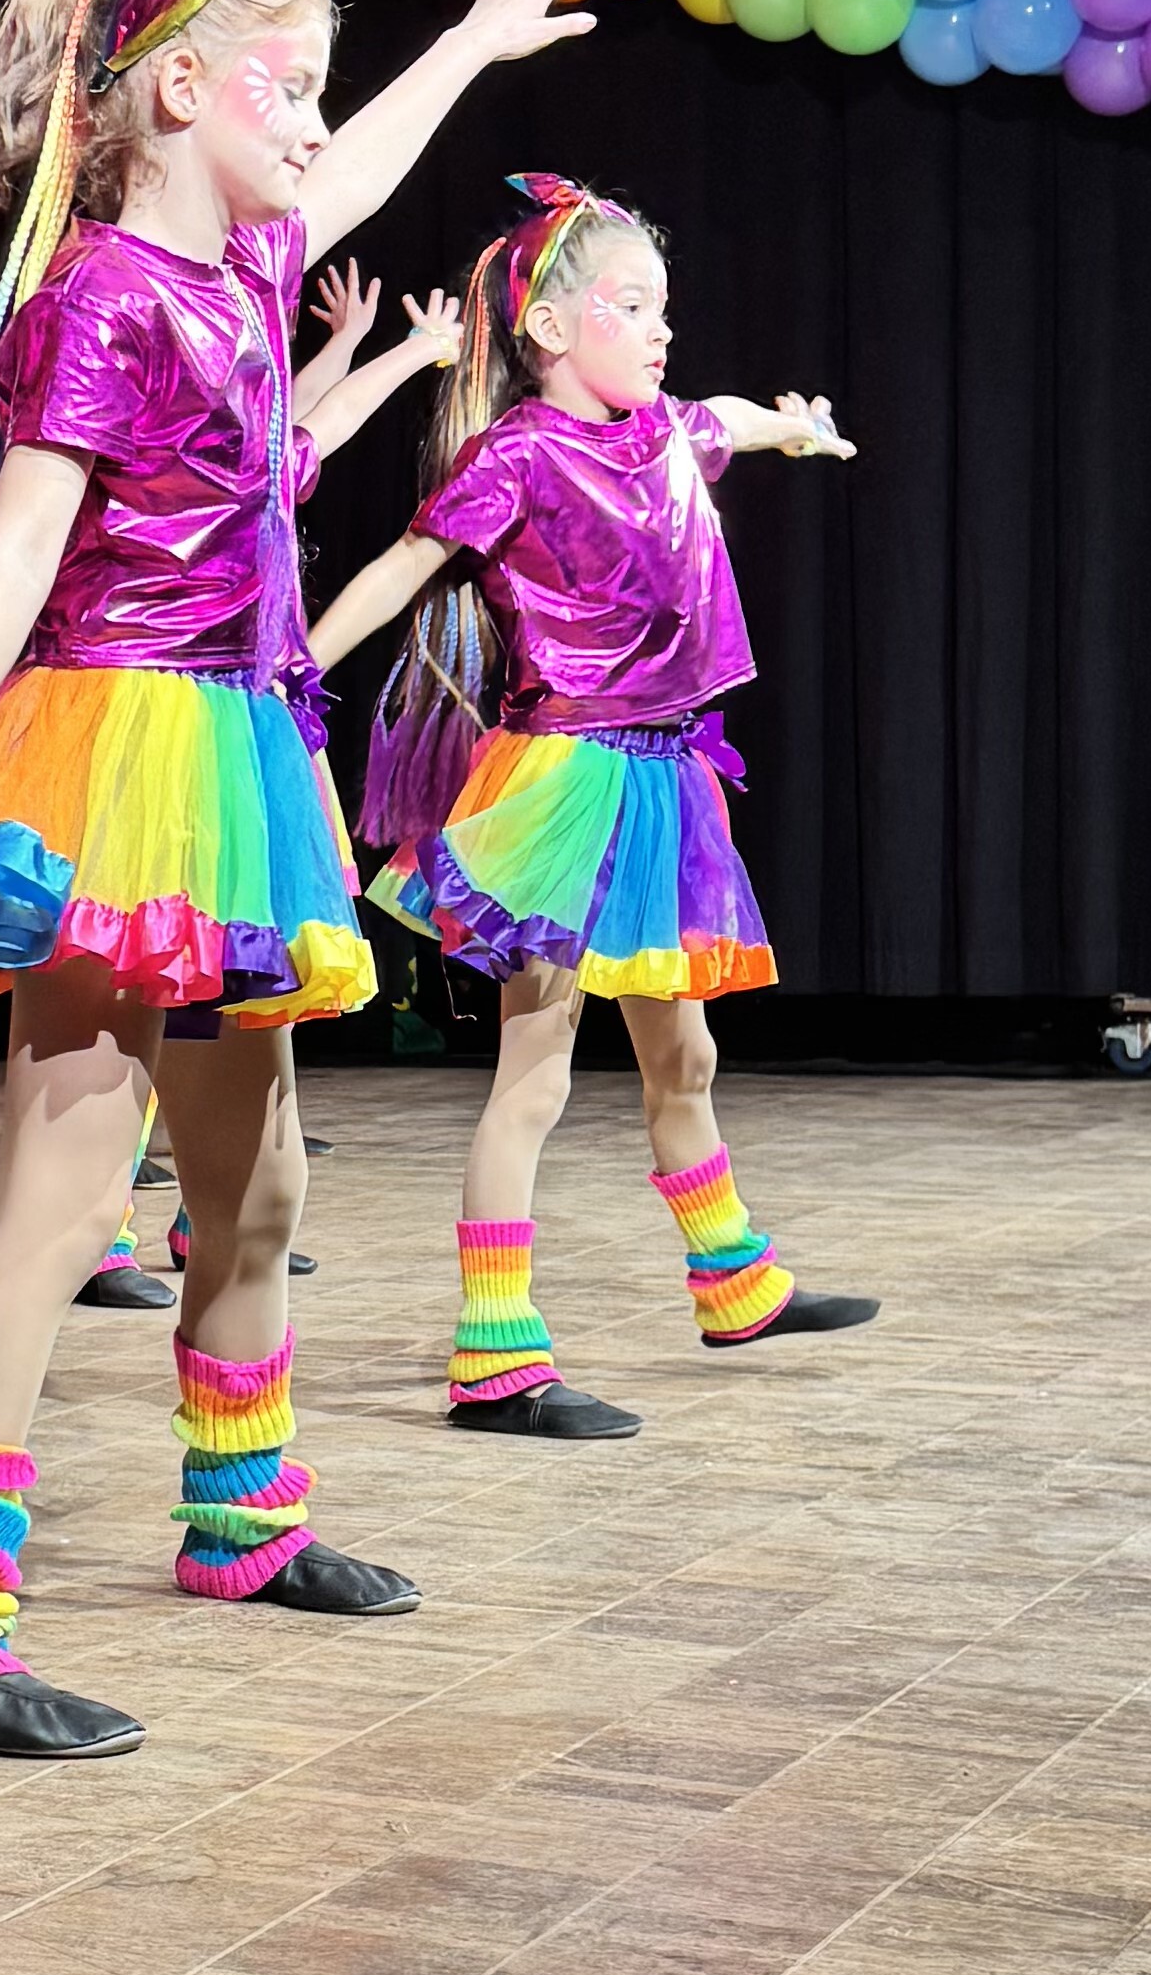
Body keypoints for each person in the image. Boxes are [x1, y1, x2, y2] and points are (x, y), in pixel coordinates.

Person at [0, 0, 589, 1761]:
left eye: (317, 89)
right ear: (170, 96)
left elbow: (357, 170)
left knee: (261, 1188)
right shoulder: (98, 295)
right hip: (113, 751)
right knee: (66, 1195)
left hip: (234, 755)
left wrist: (468, 45)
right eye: (284, 86)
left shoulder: (236, 274)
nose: (313, 122)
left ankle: (242, 1519)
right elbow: (14, 549)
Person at [308, 172, 875, 1435]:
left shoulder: (665, 430)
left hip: (667, 780)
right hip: (567, 782)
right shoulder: (521, 452)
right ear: (554, 328)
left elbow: (727, 418)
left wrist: (793, 431)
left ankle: (733, 1281)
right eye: (634, 306)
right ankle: (493, 1355)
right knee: (537, 1072)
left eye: (665, 307)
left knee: (687, 1054)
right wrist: (297, 664)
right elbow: (407, 564)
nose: (663, 331)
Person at [72, 258, 454, 1315]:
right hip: (182, 732)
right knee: (159, 975)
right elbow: (311, 420)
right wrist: (399, 354)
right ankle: (102, 1228)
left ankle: (203, 1214)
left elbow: (300, 418)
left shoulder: (254, 447)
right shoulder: (194, 456)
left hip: (263, 728)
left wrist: (377, 349)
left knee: (237, 979)